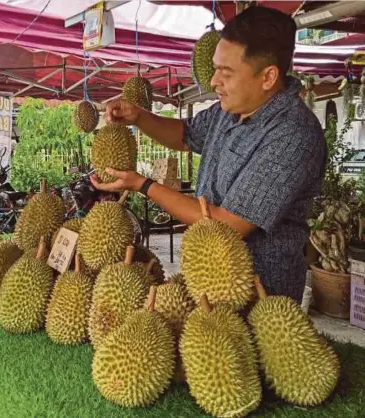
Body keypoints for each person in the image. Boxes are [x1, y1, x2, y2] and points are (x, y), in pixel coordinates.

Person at [91, 6, 327, 303]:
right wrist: (138, 116)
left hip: (259, 293)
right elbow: (184, 134)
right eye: (215, 68)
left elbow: (227, 224)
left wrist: (143, 185)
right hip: (206, 279)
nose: (214, 82)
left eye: (225, 73)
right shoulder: (228, 111)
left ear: (268, 77)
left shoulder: (294, 135)